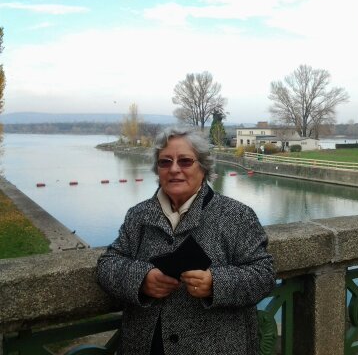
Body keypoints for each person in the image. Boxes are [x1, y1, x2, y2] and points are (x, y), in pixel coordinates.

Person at [97, 127, 275, 355]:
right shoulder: (138, 215)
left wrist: (216, 283)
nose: (174, 169)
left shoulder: (236, 216)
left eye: (185, 161)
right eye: (165, 162)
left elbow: (264, 275)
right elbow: (107, 264)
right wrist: (141, 279)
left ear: (203, 167)